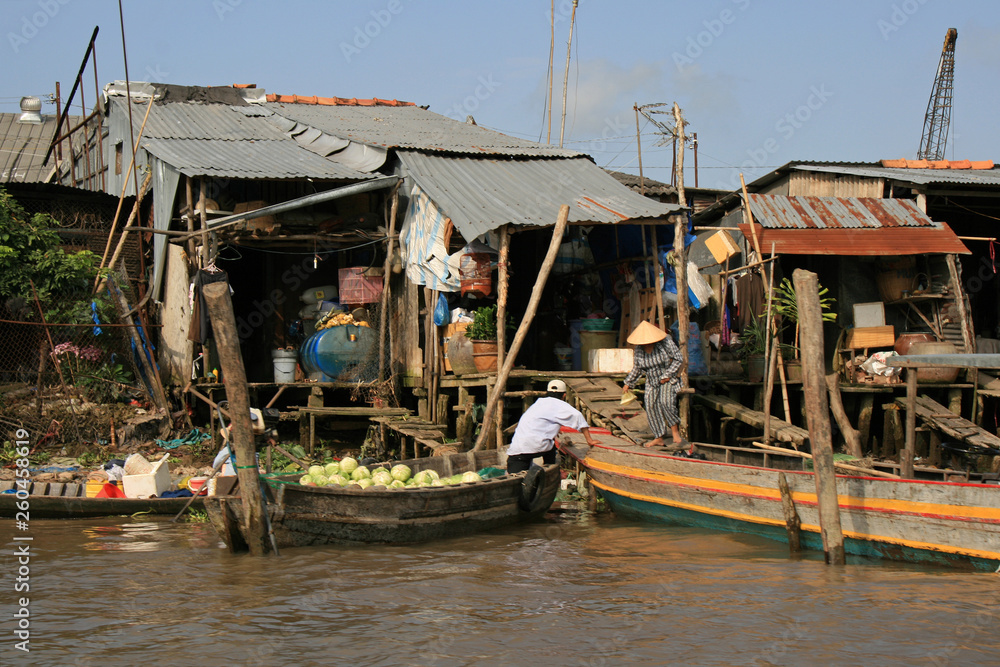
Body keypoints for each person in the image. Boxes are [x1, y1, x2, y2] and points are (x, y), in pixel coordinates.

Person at [506, 379, 598, 473]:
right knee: (551, 447)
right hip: (539, 447)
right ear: (564, 395)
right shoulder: (560, 405)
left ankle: (547, 470)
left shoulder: (538, 403)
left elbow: (542, 421)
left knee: (514, 473)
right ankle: (551, 471)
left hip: (518, 449)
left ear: (547, 393)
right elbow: (578, 417)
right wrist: (589, 440)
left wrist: (554, 430)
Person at [622, 320, 686, 449]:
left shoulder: (665, 342)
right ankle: (658, 436)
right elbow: (638, 367)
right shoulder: (639, 349)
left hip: (668, 377)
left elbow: (679, 358)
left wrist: (667, 375)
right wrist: (628, 382)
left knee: (666, 402)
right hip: (651, 379)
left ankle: (675, 432)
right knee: (651, 406)